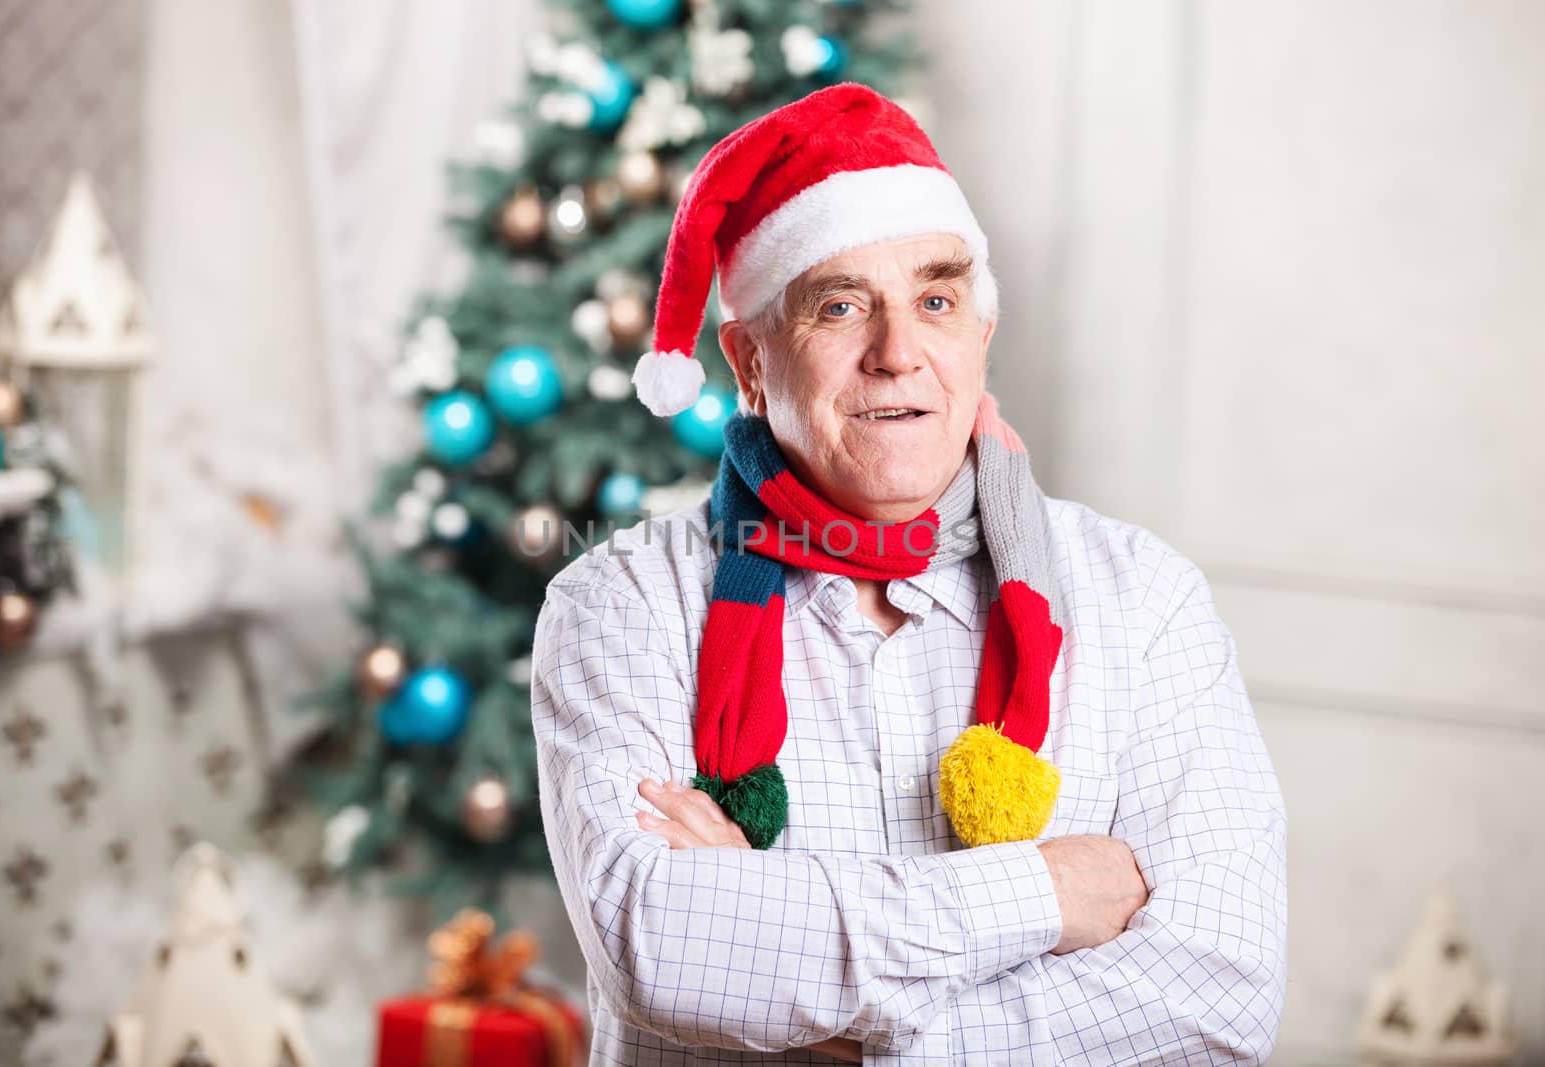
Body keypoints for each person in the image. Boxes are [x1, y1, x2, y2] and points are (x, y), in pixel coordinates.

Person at [530, 83, 1286, 1065]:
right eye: (839, 306)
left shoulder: (1141, 596)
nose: (897, 353)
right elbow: (662, 941)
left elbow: (1215, 997)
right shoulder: (620, 602)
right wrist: (1048, 894)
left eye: (935, 300)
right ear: (750, 361)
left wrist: (846, 1034)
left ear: (979, 332)